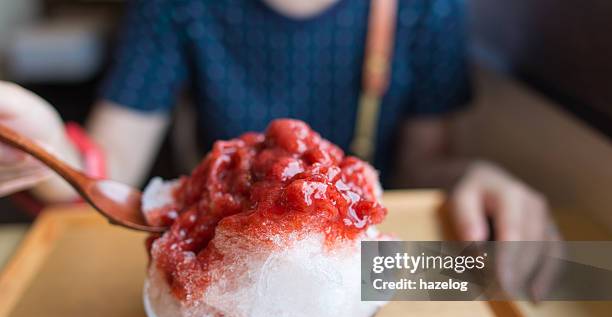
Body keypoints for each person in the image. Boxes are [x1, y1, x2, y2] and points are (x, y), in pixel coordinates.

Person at [0, 0, 555, 246]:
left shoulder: (425, 7)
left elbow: (422, 162)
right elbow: (109, 173)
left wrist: (470, 176)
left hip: (364, 258)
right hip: (225, 240)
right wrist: (42, 145)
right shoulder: (176, 6)